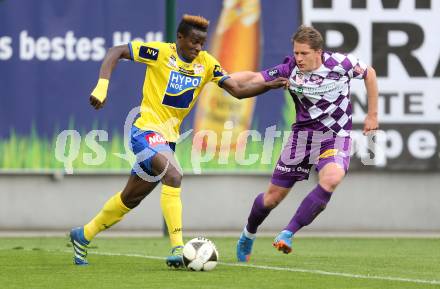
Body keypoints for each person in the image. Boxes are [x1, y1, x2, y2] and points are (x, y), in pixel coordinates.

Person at [69, 14, 286, 267]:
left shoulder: (206, 63)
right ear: (179, 38)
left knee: (131, 198)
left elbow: (237, 90)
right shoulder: (161, 53)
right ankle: (179, 248)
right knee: (174, 175)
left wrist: (268, 86)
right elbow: (116, 51)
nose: (198, 48)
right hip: (145, 131)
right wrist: (102, 86)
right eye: (194, 42)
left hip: (167, 140)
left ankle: (83, 235)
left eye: (202, 43)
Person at [235, 25, 379, 262]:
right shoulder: (289, 70)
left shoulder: (341, 64)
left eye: (304, 53)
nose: (298, 58)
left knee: (332, 179)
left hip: (335, 137)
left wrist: (372, 115)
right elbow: (253, 78)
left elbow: (369, 74)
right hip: (302, 139)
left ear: (318, 52)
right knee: (272, 199)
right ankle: (248, 234)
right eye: (296, 53)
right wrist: (221, 78)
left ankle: (287, 233)